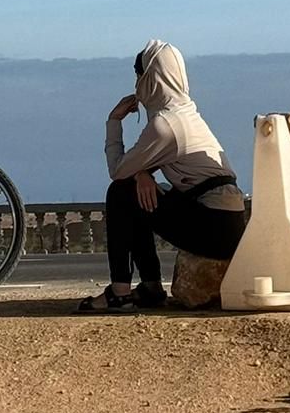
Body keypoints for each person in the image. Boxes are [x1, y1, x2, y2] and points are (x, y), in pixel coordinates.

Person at [77, 40, 247, 312]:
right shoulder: (185, 112)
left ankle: (120, 291)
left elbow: (118, 172)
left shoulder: (164, 124)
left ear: (150, 78)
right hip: (226, 221)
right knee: (142, 192)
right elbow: (153, 163)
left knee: (121, 193)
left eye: (138, 76)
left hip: (214, 226)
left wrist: (114, 121)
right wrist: (142, 173)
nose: (136, 84)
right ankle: (150, 287)